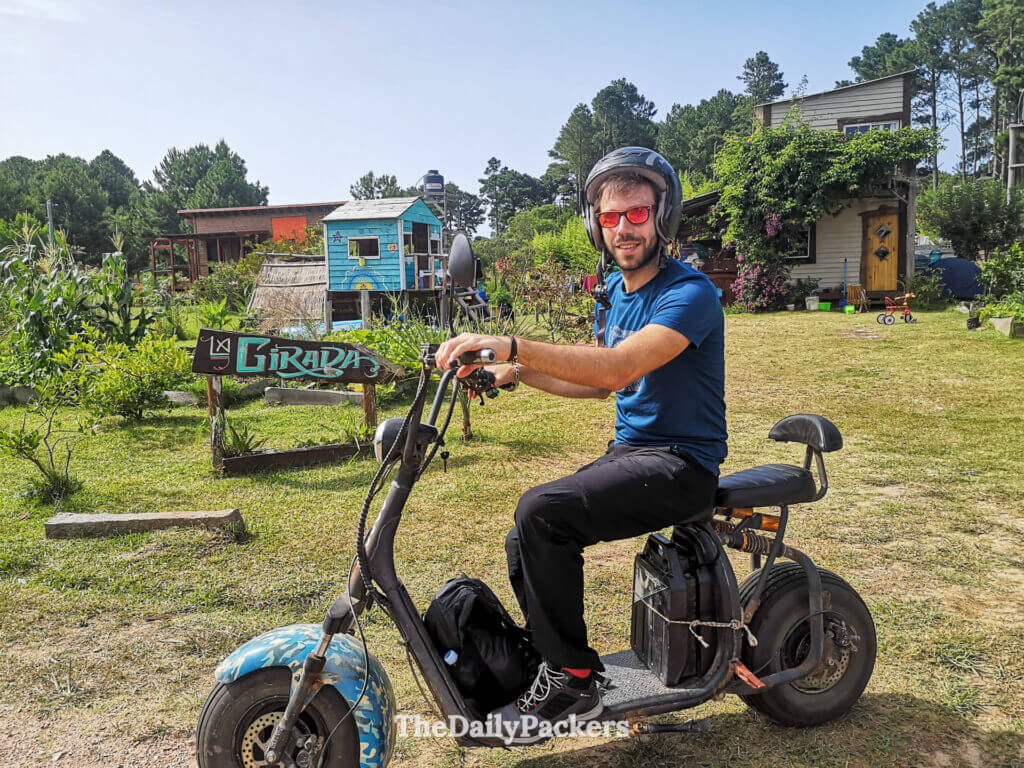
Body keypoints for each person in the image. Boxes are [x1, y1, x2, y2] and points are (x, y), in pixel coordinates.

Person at [434, 147, 726, 742]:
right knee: (526, 534)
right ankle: (556, 663)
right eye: (612, 216)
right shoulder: (617, 293)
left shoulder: (690, 295)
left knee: (542, 511)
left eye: (638, 214)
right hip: (635, 453)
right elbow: (597, 386)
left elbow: (617, 368)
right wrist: (512, 373)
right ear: (596, 222)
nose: (624, 228)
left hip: (682, 463)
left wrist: (512, 344)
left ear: (662, 217)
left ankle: (572, 679)